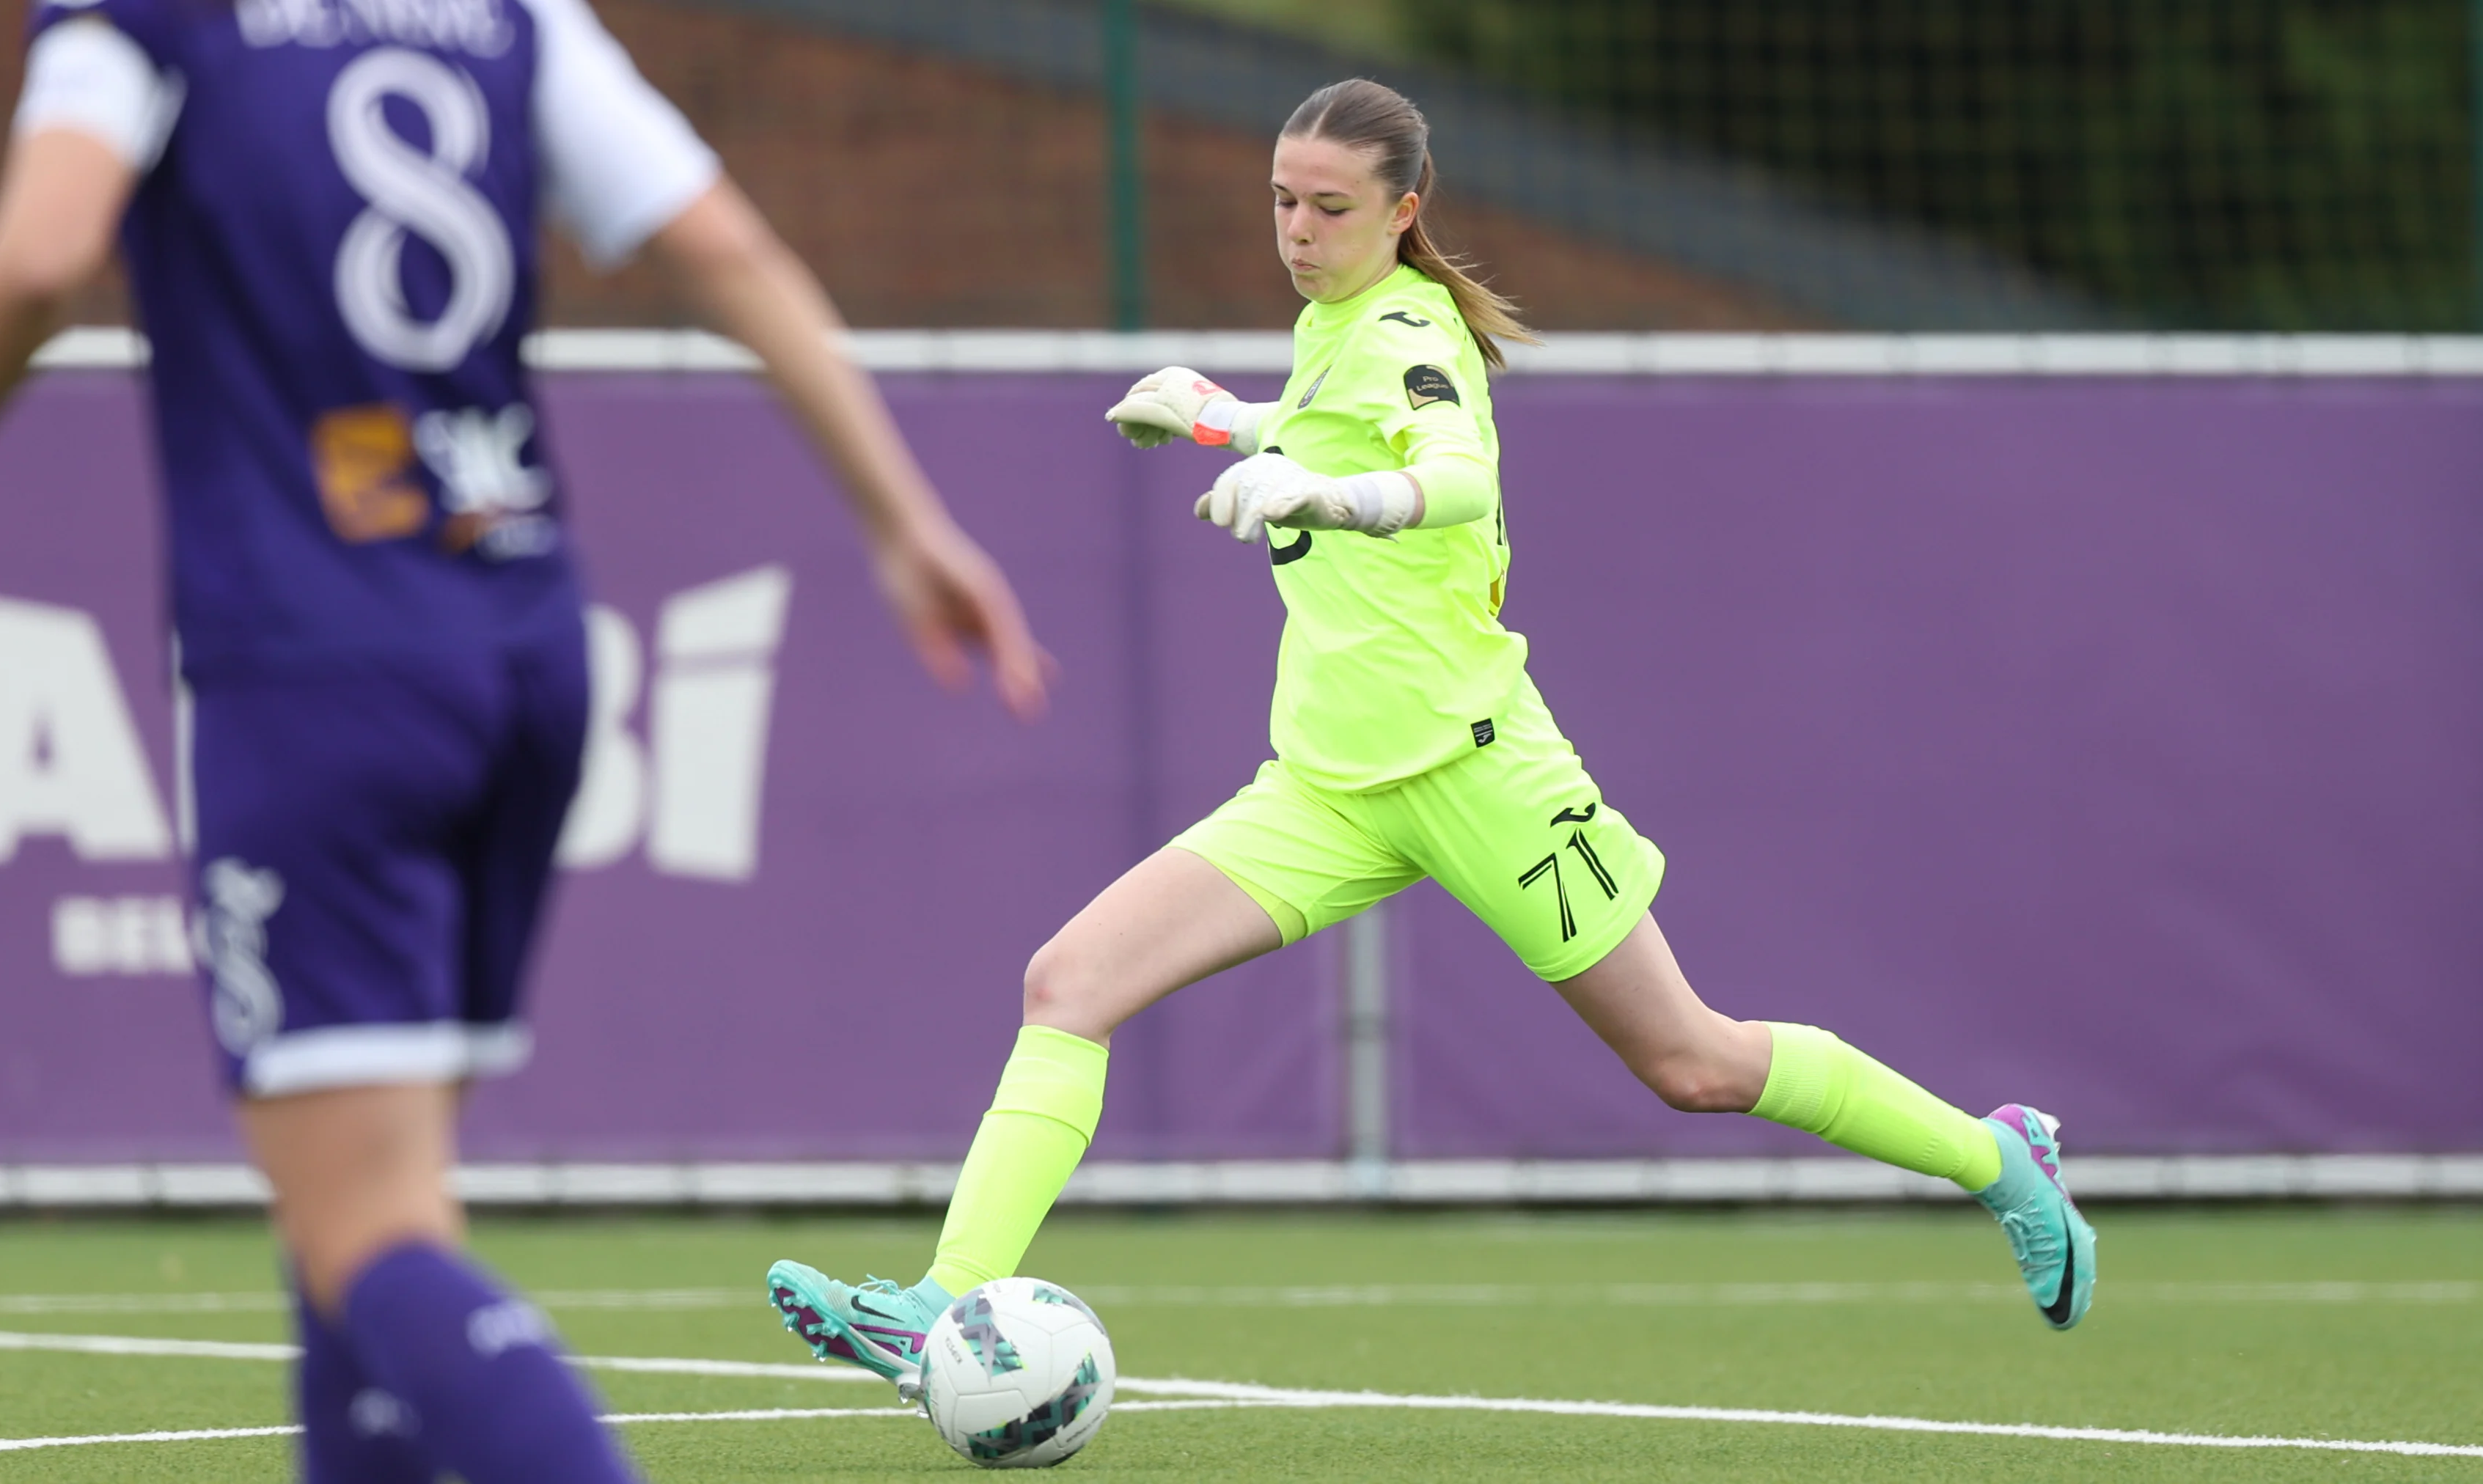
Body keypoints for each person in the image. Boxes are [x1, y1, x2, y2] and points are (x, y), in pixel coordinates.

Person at [764, 77, 2096, 1392]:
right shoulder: (1333, 327)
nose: (1296, 229)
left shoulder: (1411, 332)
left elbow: (1457, 477)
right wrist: (1221, 417)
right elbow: (1321, 425)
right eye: (1281, 200)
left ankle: (1997, 1162)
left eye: (1329, 208)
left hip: (1475, 774)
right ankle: (938, 1308)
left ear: (1403, 213)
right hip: (1326, 789)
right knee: (1067, 984)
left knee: (1692, 1061)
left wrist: (1332, 496)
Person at [0, 1, 1047, 1477]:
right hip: (524, 643)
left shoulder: (149, 14)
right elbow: (717, 244)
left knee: (368, 1232)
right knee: (367, 1205)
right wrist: (900, 518)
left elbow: (38, 251)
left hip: (313, 660)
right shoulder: (508, 15)